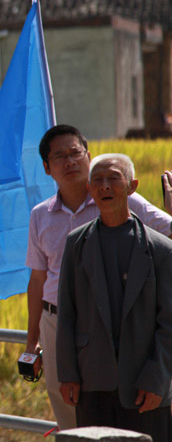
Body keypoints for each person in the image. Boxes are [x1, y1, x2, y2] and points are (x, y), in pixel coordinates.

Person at [25, 125, 172, 430]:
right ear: (46, 167)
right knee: (76, 423)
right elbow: (40, 283)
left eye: (75, 153)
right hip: (67, 331)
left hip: (135, 334)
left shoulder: (139, 218)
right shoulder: (49, 221)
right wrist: (33, 344)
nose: (69, 162)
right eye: (59, 156)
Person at [57, 153, 172, 440]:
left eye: (114, 178)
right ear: (89, 189)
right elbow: (67, 314)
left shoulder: (160, 249)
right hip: (92, 380)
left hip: (145, 385)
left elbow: (169, 323)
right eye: (97, 180)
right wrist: (68, 373)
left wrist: (157, 379)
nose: (105, 186)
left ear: (132, 186)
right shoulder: (77, 244)